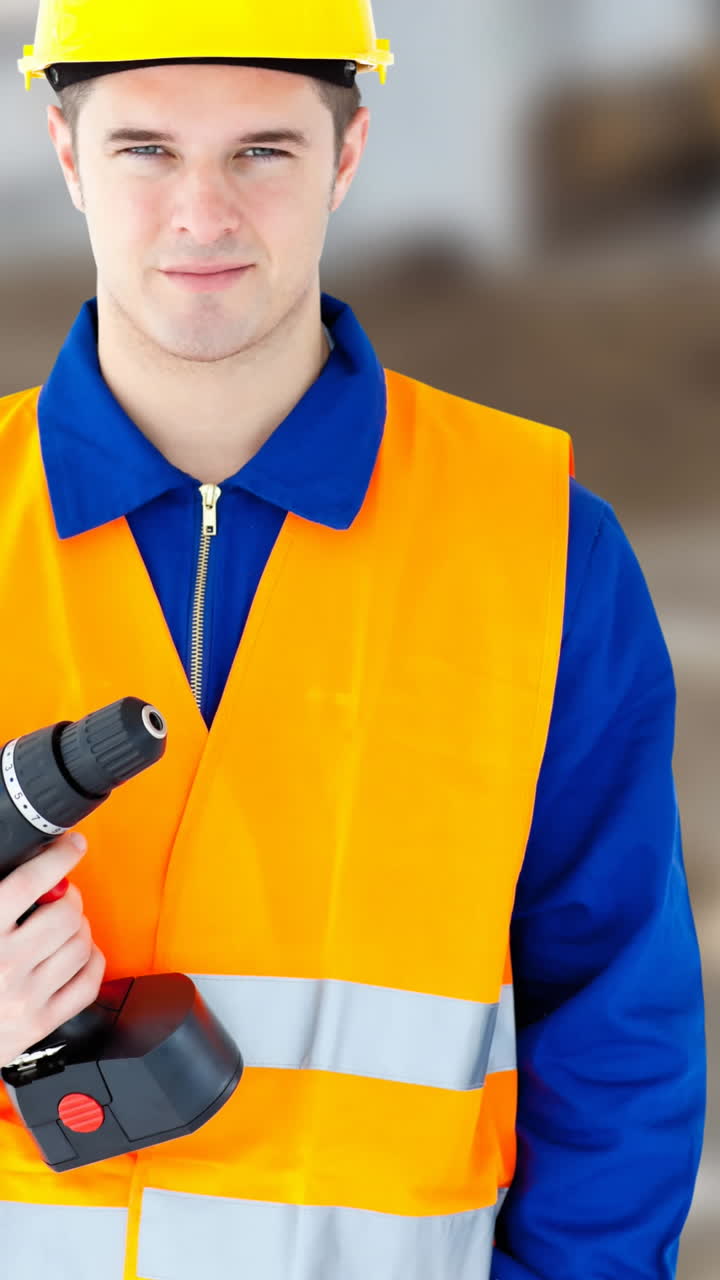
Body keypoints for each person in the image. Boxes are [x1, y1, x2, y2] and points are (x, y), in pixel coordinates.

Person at [0, 2, 706, 1277]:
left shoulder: (539, 545)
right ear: (67, 155)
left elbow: (616, 1025)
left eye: (261, 150)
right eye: (146, 149)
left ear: (347, 154)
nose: (202, 213)